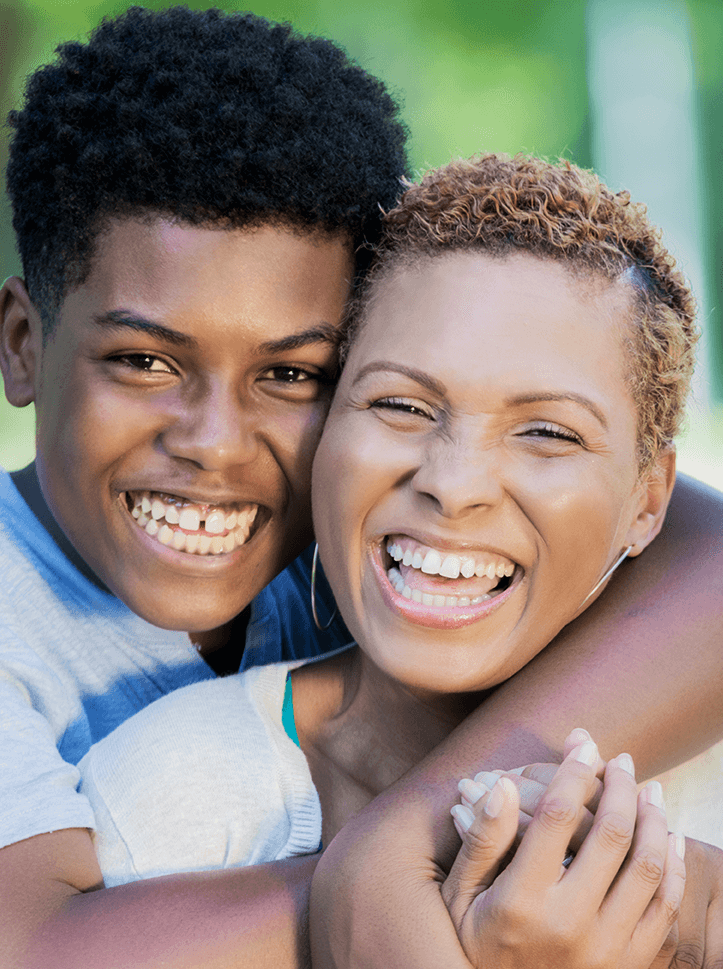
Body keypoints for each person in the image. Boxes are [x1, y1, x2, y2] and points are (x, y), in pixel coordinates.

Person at [0, 6, 721, 967]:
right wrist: (446, 866)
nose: (215, 444)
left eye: (293, 374)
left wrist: (411, 830)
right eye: (142, 360)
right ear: (21, 345)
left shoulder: (334, 560)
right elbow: (39, 947)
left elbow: (703, 553)